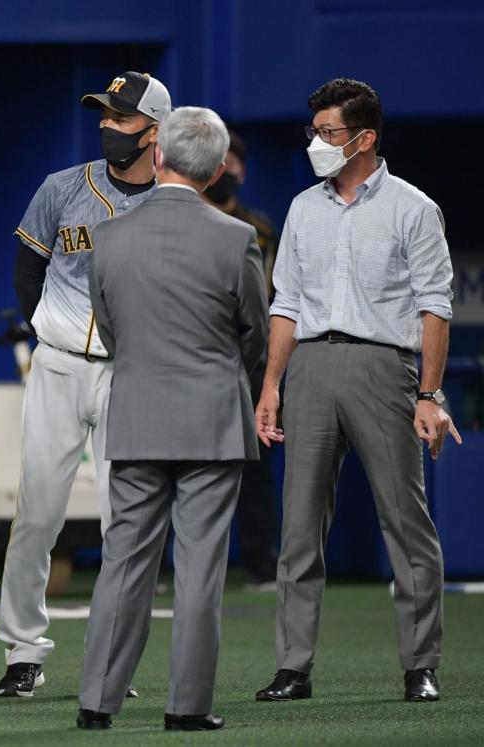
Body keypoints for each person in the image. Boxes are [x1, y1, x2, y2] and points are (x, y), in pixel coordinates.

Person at [254, 78, 462, 705]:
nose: (315, 142)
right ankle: (293, 669)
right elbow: (285, 303)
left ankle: (420, 665)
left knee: (406, 521)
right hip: (310, 369)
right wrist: (271, 385)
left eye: (328, 133)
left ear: (365, 139)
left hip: (385, 370)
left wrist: (431, 395)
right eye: (313, 131)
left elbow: (434, 306)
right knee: (299, 527)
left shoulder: (413, 208)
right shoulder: (301, 208)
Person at [77, 106, 268, 731]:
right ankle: (186, 708)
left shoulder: (109, 237)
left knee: (123, 562)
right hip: (213, 419)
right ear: (215, 172)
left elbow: (110, 329)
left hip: (136, 413)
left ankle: (96, 704)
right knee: (201, 569)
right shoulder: (237, 239)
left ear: (157, 158)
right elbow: (255, 336)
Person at [0, 71, 171, 698]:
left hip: (134, 374)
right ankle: (22, 651)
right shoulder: (63, 187)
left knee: (126, 523)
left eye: (121, 119)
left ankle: (113, 660)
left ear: (155, 133)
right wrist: (49, 330)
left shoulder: (176, 201)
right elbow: (27, 270)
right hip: (62, 365)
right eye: (104, 115)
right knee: (37, 512)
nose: (107, 126)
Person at [203, 131, 280, 588]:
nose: (226, 171)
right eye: (219, 161)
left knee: (256, 465)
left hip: (249, 362)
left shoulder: (261, 230)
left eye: (233, 162)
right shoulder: (181, 221)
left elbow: (273, 300)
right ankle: (158, 568)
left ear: (242, 170)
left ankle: (260, 562)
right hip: (191, 359)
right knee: (173, 463)